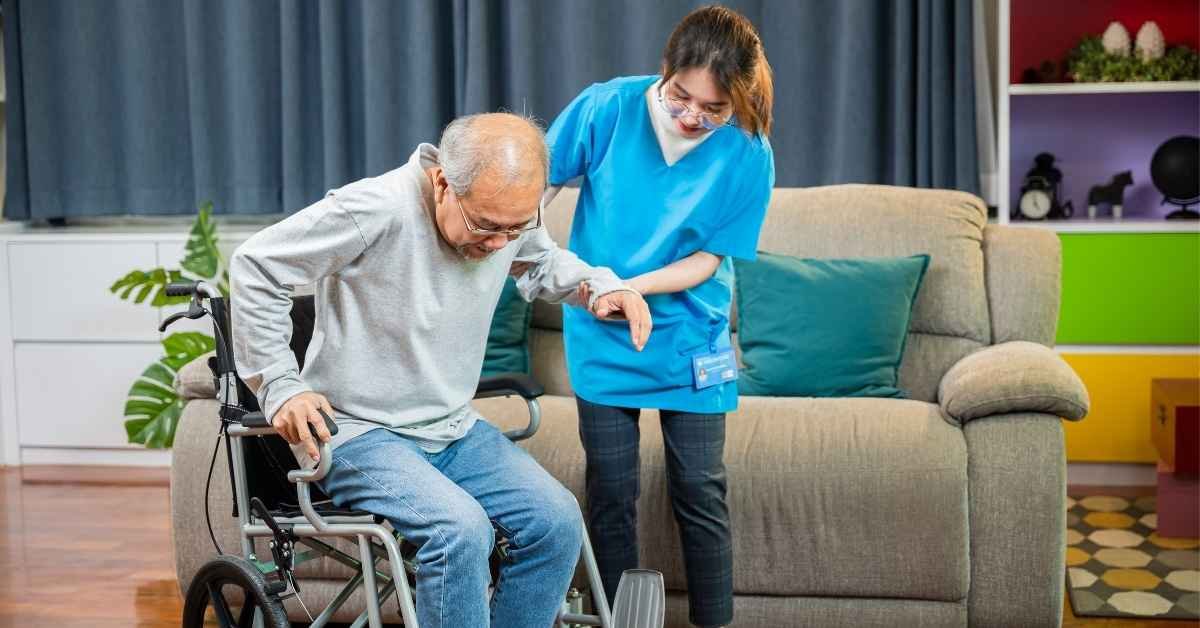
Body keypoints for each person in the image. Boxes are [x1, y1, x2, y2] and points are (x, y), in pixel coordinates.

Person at [229, 112, 653, 628]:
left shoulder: (506, 214)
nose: (501, 243)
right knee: (460, 530)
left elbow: (542, 261)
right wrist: (279, 385)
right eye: (487, 227)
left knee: (556, 522)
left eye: (515, 227)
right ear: (443, 183)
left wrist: (603, 285)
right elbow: (257, 264)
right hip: (358, 431)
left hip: (451, 428)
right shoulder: (376, 207)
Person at [541, 6, 775, 627]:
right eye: (681, 97)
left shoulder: (749, 151)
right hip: (603, 329)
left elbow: (705, 259)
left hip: (690, 334)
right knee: (611, 494)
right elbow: (531, 182)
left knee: (700, 489)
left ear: (739, 101)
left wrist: (629, 287)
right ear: (664, 71)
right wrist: (533, 248)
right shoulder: (607, 109)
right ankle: (618, 623)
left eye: (714, 108)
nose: (693, 116)